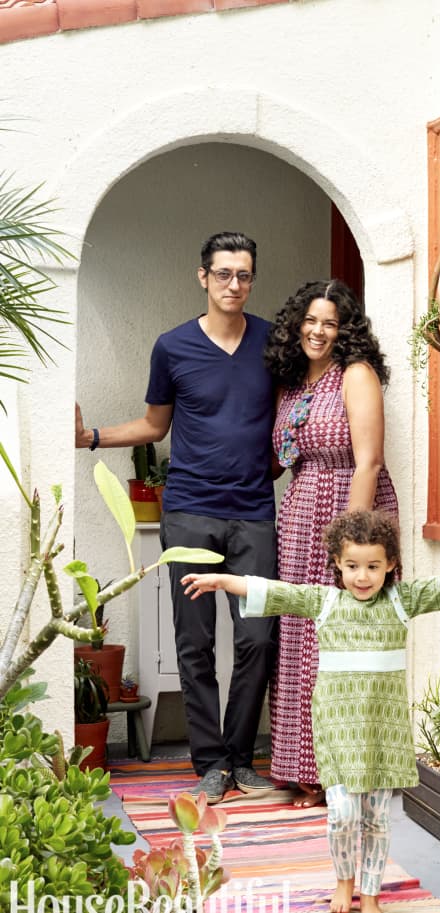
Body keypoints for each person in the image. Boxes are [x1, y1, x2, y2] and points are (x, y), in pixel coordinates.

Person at [181, 508, 440, 913]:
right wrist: (220, 580)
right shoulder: (326, 601)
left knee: (376, 819)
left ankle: (369, 895)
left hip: (383, 733)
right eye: (352, 566)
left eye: (373, 566)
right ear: (337, 562)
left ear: (390, 565)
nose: (362, 576)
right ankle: (343, 882)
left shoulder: (402, 601)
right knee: (343, 815)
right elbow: (275, 591)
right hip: (338, 730)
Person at [75, 231, 279, 803]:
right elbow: (153, 426)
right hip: (189, 513)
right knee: (194, 643)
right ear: (203, 277)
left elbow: (290, 416)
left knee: (257, 640)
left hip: (255, 515)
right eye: (223, 274)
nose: (233, 284)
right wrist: (91, 436)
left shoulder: (272, 342)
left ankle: (242, 759)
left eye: (243, 275)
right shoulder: (173, 347)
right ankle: (211, 762)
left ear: (251, 279)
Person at [262, 279, 398, 808]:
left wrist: (352, 545)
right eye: (311, 321)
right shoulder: (293, 383)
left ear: (345, 331)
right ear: (297, 324)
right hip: (299, 511)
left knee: (338, 643)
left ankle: (337, 767)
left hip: (345, 508)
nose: (319, 331)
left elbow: (368, 461)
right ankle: (302, 768)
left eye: (331, 323)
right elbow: (285, 457)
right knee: (300, 638)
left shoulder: (355, 375)